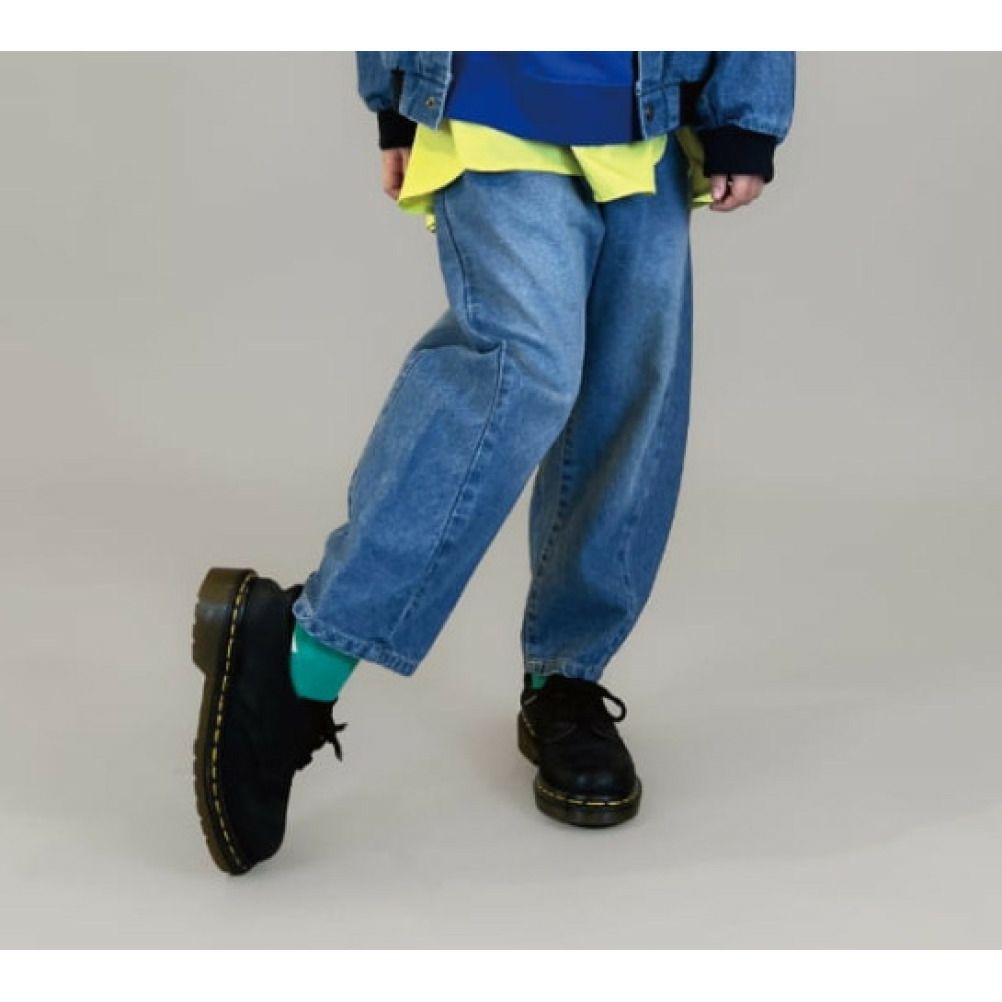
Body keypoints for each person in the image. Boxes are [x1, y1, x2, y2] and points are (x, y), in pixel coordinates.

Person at [188, 51, 796, 875]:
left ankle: (565, 681)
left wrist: (745, 113)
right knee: (524, 364)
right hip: (491, 93)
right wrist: (396, 97)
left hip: (653, 111)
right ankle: (305, 658)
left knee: (629, 391)